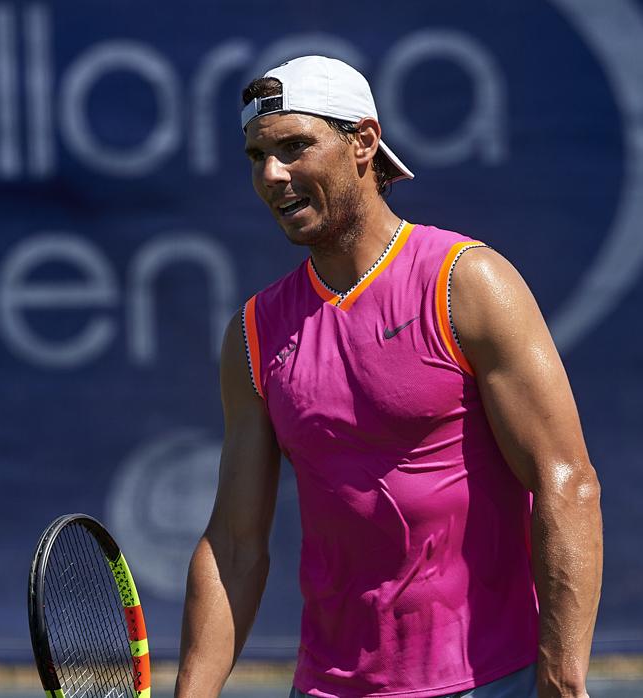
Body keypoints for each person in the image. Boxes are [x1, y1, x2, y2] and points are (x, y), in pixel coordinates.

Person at [173, 56, 603, 698]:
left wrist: (563, 682)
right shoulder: (253, 333)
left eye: (294, 146)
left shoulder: (467, 283)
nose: (271, 174)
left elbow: (564, 483)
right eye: (256, 154)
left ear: (363, 144)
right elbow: (236, 545)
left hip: (489, 681)